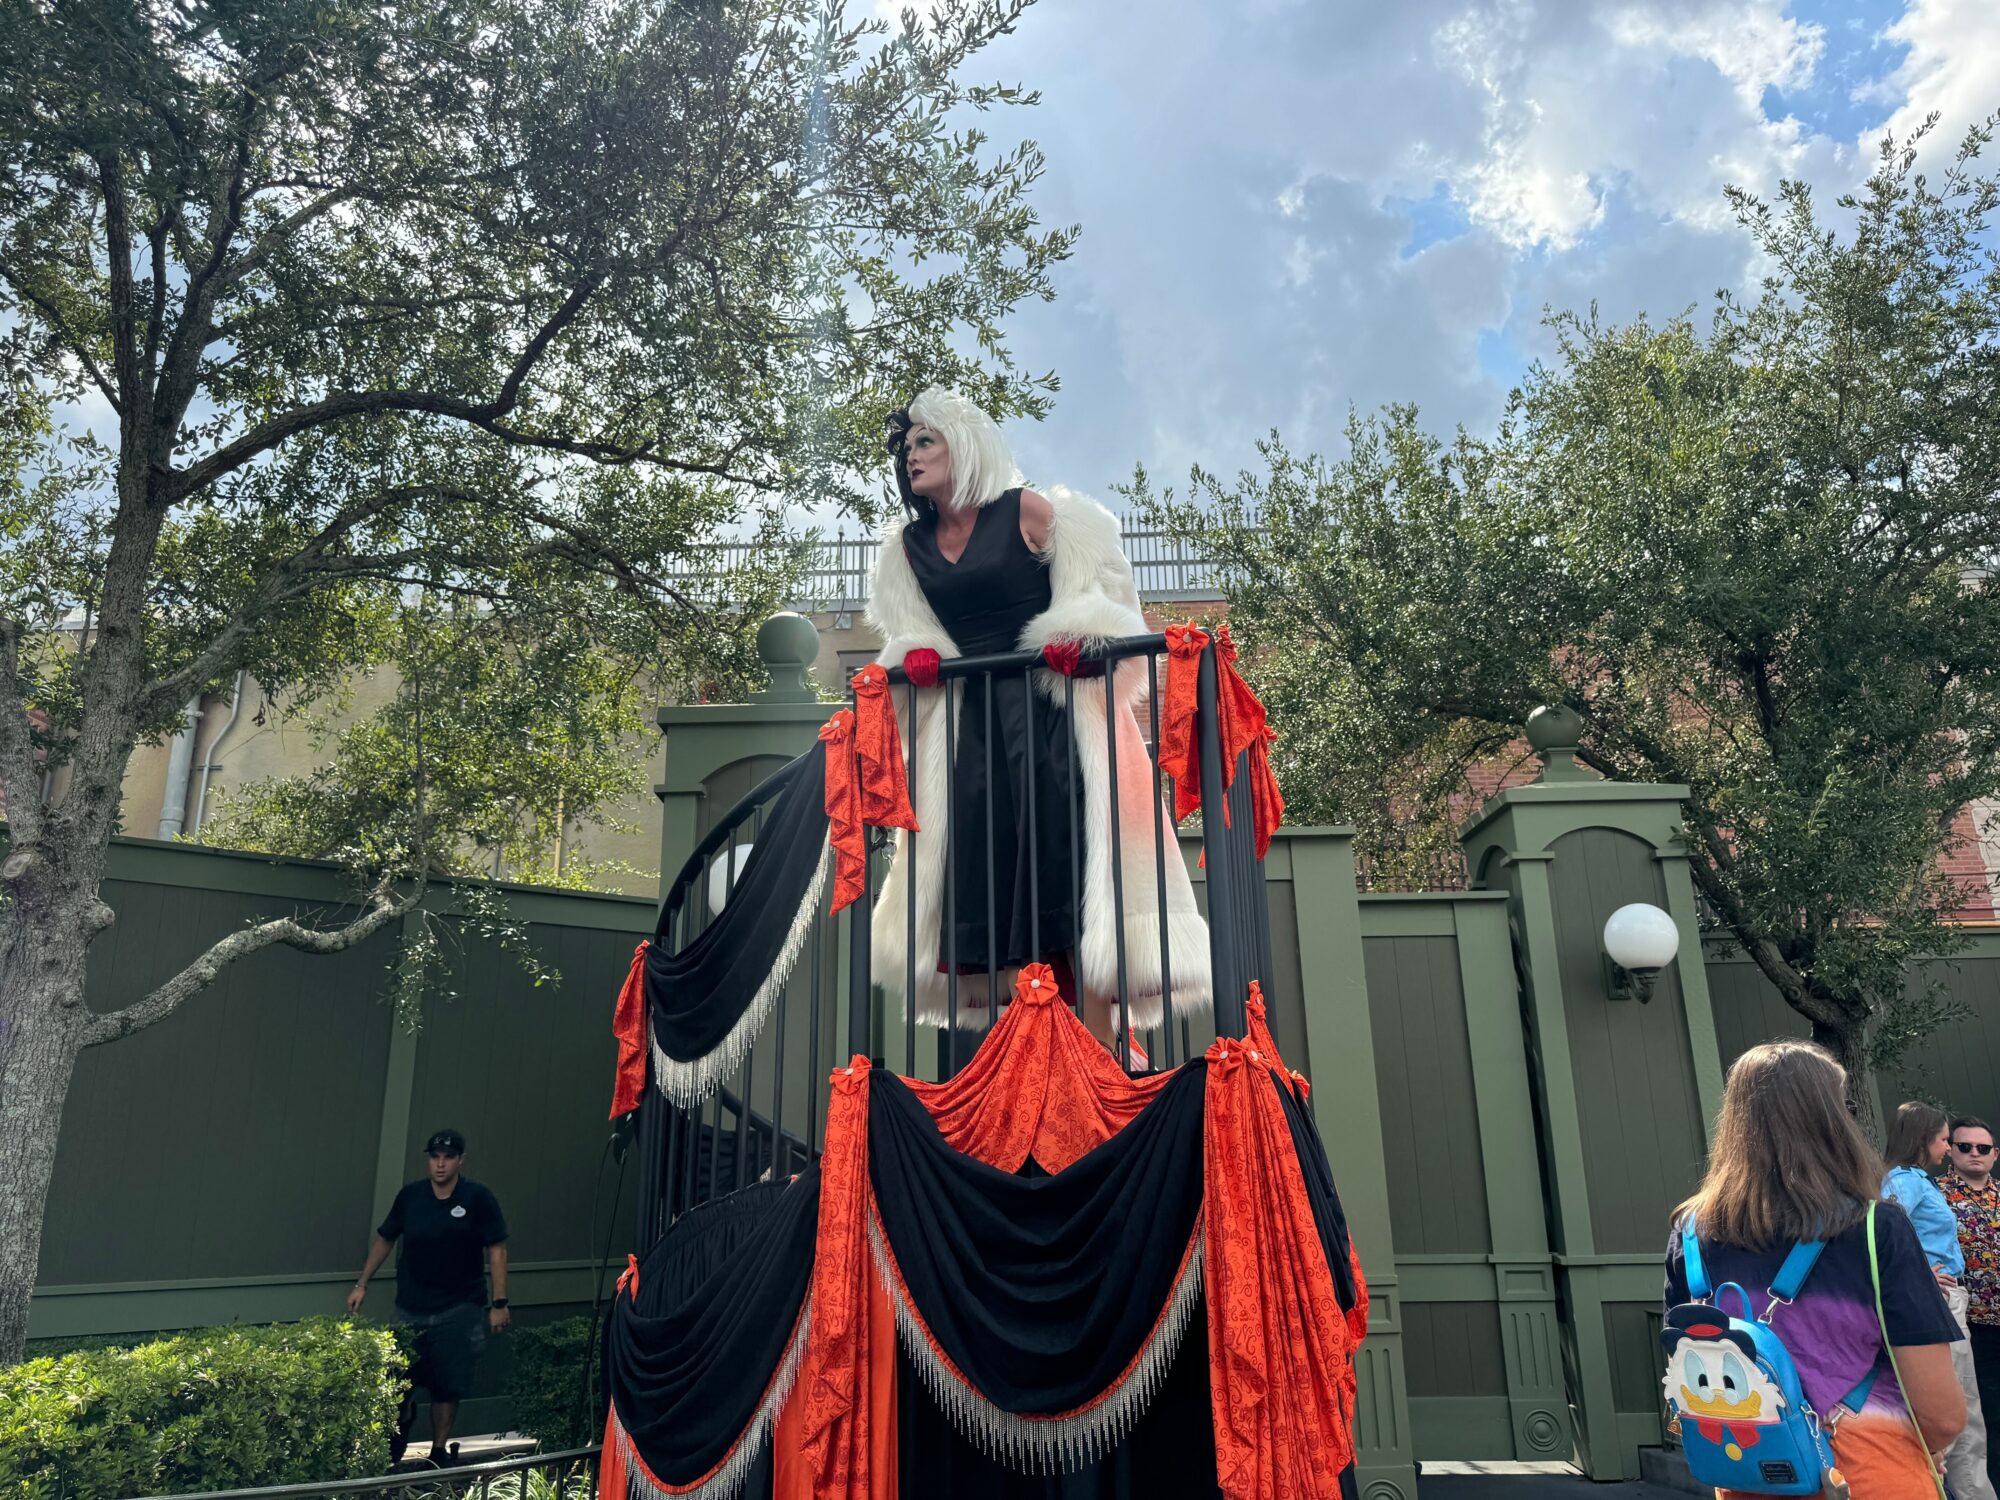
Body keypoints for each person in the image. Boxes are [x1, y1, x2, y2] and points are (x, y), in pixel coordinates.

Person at [866, 387, 1209, 1050]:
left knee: (1077, 869)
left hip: (1054, 722)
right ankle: (1033, 1068)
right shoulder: (908, 551)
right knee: (996, 887)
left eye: (925, 441)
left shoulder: (1026, 511)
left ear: (964, 442)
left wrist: (1079, 637)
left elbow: (1106, 598)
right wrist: (919, 663)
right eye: (906, 448)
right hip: (974, 739)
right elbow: (910, 639)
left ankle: (1107, 1059)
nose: (911, 456)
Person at [1664, 1042, 1963, 1498]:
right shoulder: (1874, 1226)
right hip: (1869, 1469)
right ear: (1829, 1118)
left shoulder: (1690, 1232)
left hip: (1748, 1472)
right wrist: (1932, 1446)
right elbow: (1941, 1414)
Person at [347, 1129, 510, 1464]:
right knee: (398, 1382)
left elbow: (497, 1249)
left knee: (447, 1384)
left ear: (460, 1160)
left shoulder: (477, 1198)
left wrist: (499, 1303)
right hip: (411, 1307)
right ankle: (392, 1451)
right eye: (435, 1157)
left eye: (448, 1157)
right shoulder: (411, 1197)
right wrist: (362, 1283)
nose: (440, 1164)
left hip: (459, 1307)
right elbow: (386, 1238)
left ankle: (438, 1451)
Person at [1884, 1101, 1997, 1500]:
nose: (1949, 1149)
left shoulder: (1916, 1179)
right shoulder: (1905, 1181)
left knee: (1965, 1411)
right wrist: (1920, 1272)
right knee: (1958, 1411)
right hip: (1940, 1300)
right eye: (1946, 1140)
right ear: (1924, 1139)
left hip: (1949, 1298)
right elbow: (1886, 1231)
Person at [1947, 1115, 2000, 1496]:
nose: (1974, 1154)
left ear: (1995, 1154)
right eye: (1965, 1146)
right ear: (1950, 1150)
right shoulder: (1933, 1195)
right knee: (1984, 1415)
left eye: (1983, 1148)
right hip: (1970, 1326)